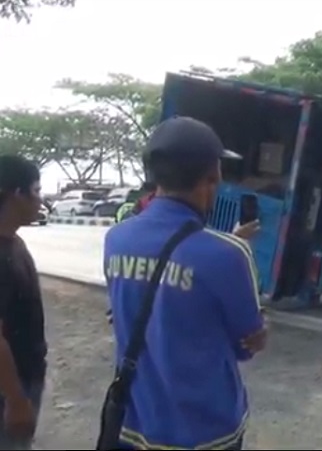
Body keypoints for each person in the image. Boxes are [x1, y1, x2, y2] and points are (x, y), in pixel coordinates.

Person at [103, 117, 266, 450]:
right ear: (212, 176)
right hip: (206, 432)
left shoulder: (116, 238)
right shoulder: (230, 254)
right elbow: (246, 345)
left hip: (133, 423)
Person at [0, 155, 47, 450]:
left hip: (25, 377)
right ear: (17, 193)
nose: (40, 200)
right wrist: (16, 400)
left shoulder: (15, 243)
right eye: (36, 190)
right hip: (9, 388)